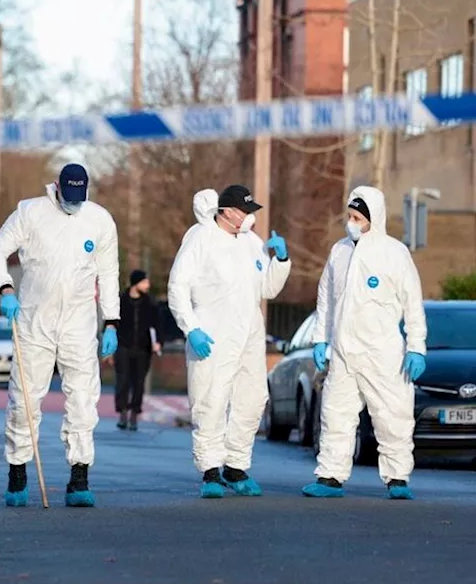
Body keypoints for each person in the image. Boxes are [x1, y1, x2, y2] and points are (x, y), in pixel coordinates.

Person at [0, 163, 120, 508]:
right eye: (68, 195)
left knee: (83, 399)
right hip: (33, 320)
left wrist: (112, 321)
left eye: (80, 196)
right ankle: (18, 470)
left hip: (79, 323)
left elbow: (108, 274)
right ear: (57, 187)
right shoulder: (30, 212)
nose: (73, 202)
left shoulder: (100, 220)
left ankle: (79, 476)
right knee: (24, 399)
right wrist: (4, 288)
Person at [167, 185, 291, 499]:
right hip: (212, 330)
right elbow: (177, 286)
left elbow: (267, 290)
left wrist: (281, 260)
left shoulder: (253, 244)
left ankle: (236, 467)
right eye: (244, 211)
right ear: (227, 211)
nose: (249, 217)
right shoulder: (200, 238)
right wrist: (191, 327)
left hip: (249, 331)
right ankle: (210, 470)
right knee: (211, 399)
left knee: (252, 398)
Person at [303, 186, 426, 500]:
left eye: (358, 217)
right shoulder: (339, 251)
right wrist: (321, 340)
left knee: (393, 416)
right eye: (350, 216)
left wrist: (416, 346)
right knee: (335, 415)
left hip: (382, 353)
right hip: (344, 352)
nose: (352, 222)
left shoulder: (394, 253)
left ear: (374, 218)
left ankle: (397, 478)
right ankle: (330, 476)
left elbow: (413, 302)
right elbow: (326, 300)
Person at [115, 269, 162, 431]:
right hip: (123, 346)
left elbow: (157, 324)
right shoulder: (121, 300)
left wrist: (158, 342)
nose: (148, 285)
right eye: (144, 282)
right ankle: (122, 412)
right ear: (136, 283)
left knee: (139, 382)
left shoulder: (150, 302)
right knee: (123, 380)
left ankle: (134, 413)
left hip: (143, 348)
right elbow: (113, 323)